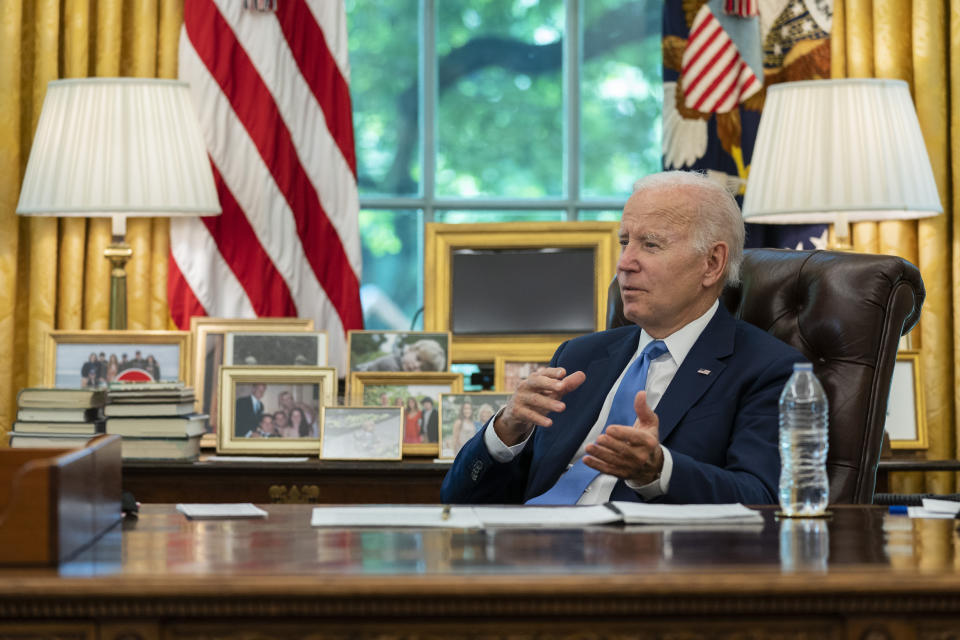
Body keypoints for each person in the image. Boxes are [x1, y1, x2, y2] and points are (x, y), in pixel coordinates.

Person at [441, 171, 806, 506]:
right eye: (624, 241)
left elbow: (763, 500)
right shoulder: (580, 357)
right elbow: (457, 501)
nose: (625, 262)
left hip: (641, 565)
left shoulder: (767, 370)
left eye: (650, 245)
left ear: (711, 263)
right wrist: (505, 432)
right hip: (530, 555)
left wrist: (658, 470)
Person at [356, 339, 446, 372]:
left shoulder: (399, 367)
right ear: (409, 350)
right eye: (418, 358)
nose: (416, 365)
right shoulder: (391, 365)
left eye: (423, 368)